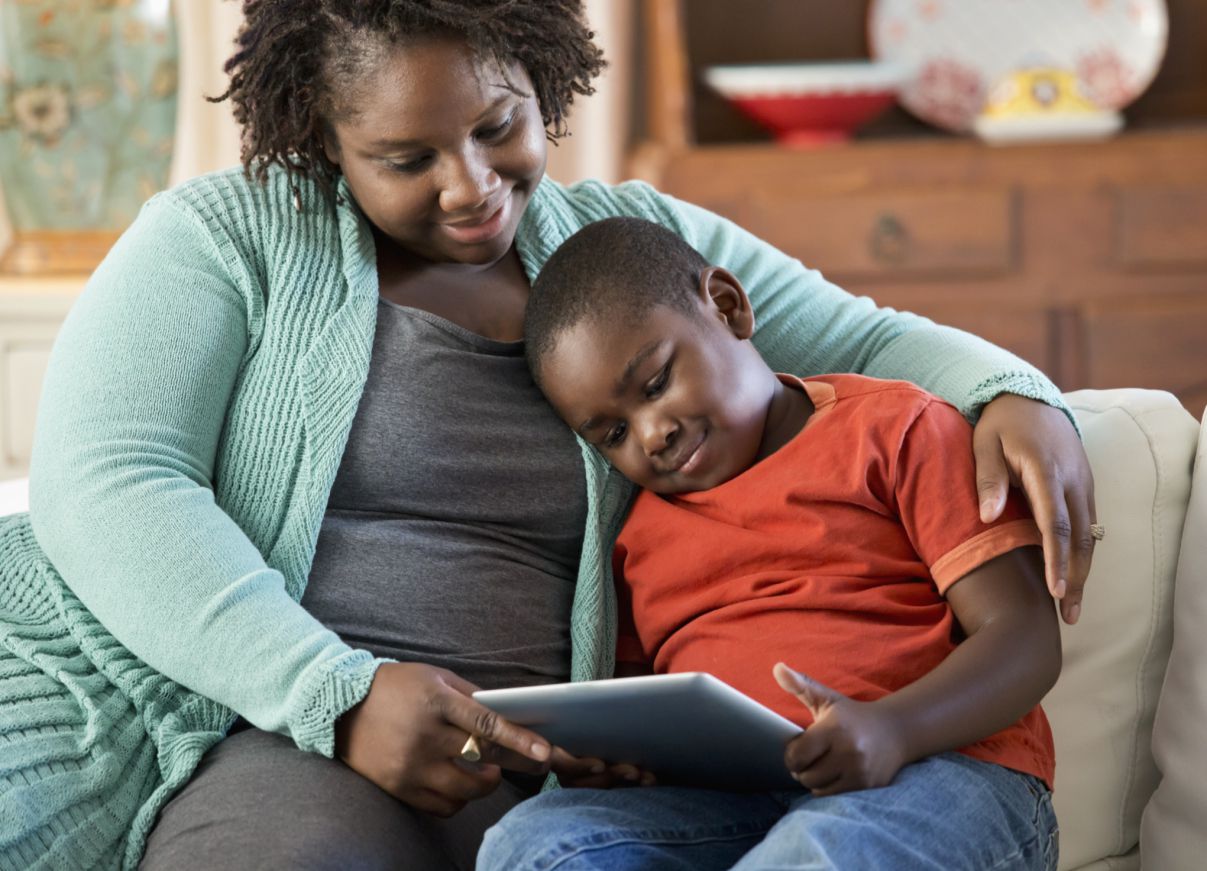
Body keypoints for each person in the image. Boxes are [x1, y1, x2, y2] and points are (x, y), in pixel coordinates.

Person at [0, 2, 1093, 869]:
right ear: (325, 138)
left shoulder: (630, 245)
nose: (470, 187)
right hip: (296, 734)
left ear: (539, 76)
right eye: (405, 158)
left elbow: (871, 338)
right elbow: (109, 479)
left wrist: (1013, 394)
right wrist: (333, 697)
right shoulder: (227, 237)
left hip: (539, 772)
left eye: (497, 127)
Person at [478, 216, 1062, 870]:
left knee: (812, 852)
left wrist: (892, 728)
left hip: (943, 775)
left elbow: (1025, 636)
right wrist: (610, 764)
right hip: (734, 803)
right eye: (611, 434)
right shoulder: (636, 538)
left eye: (655, 385)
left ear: (727, 308)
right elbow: (649, 718)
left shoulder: (895, 429)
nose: (650, 435)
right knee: (531, 844)